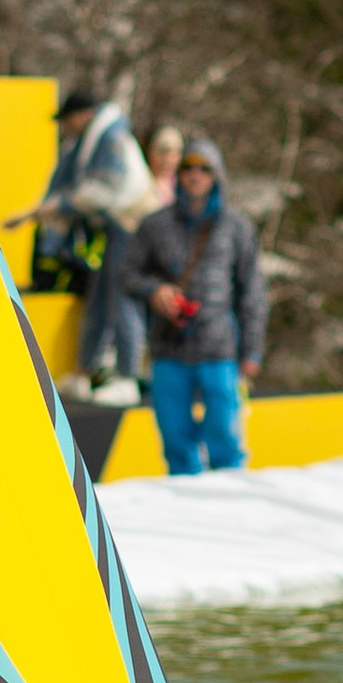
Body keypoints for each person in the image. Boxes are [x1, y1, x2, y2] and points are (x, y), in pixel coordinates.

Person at [115, 135, 267, 474]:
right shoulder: (154, 224)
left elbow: (252, 292)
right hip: (169, 346)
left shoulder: (236, 227)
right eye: (187, 168)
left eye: (204, 169)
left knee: (225, 439)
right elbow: (127, 274)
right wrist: (155, 292)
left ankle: (229, 505)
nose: (194, 175)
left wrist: (252, 350)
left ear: (217, 176)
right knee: (175, 440)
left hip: (219, 347)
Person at [1, 86, 152, 402]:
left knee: (120, 299)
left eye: (67, 120)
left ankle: (128, 376)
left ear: (83, 116)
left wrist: (48, 210)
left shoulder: (110, 138)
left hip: (130, 227)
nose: (64, 127)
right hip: (113, 228)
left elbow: (100, 192)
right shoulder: (90, 141)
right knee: (98, 299)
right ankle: (84, 372)